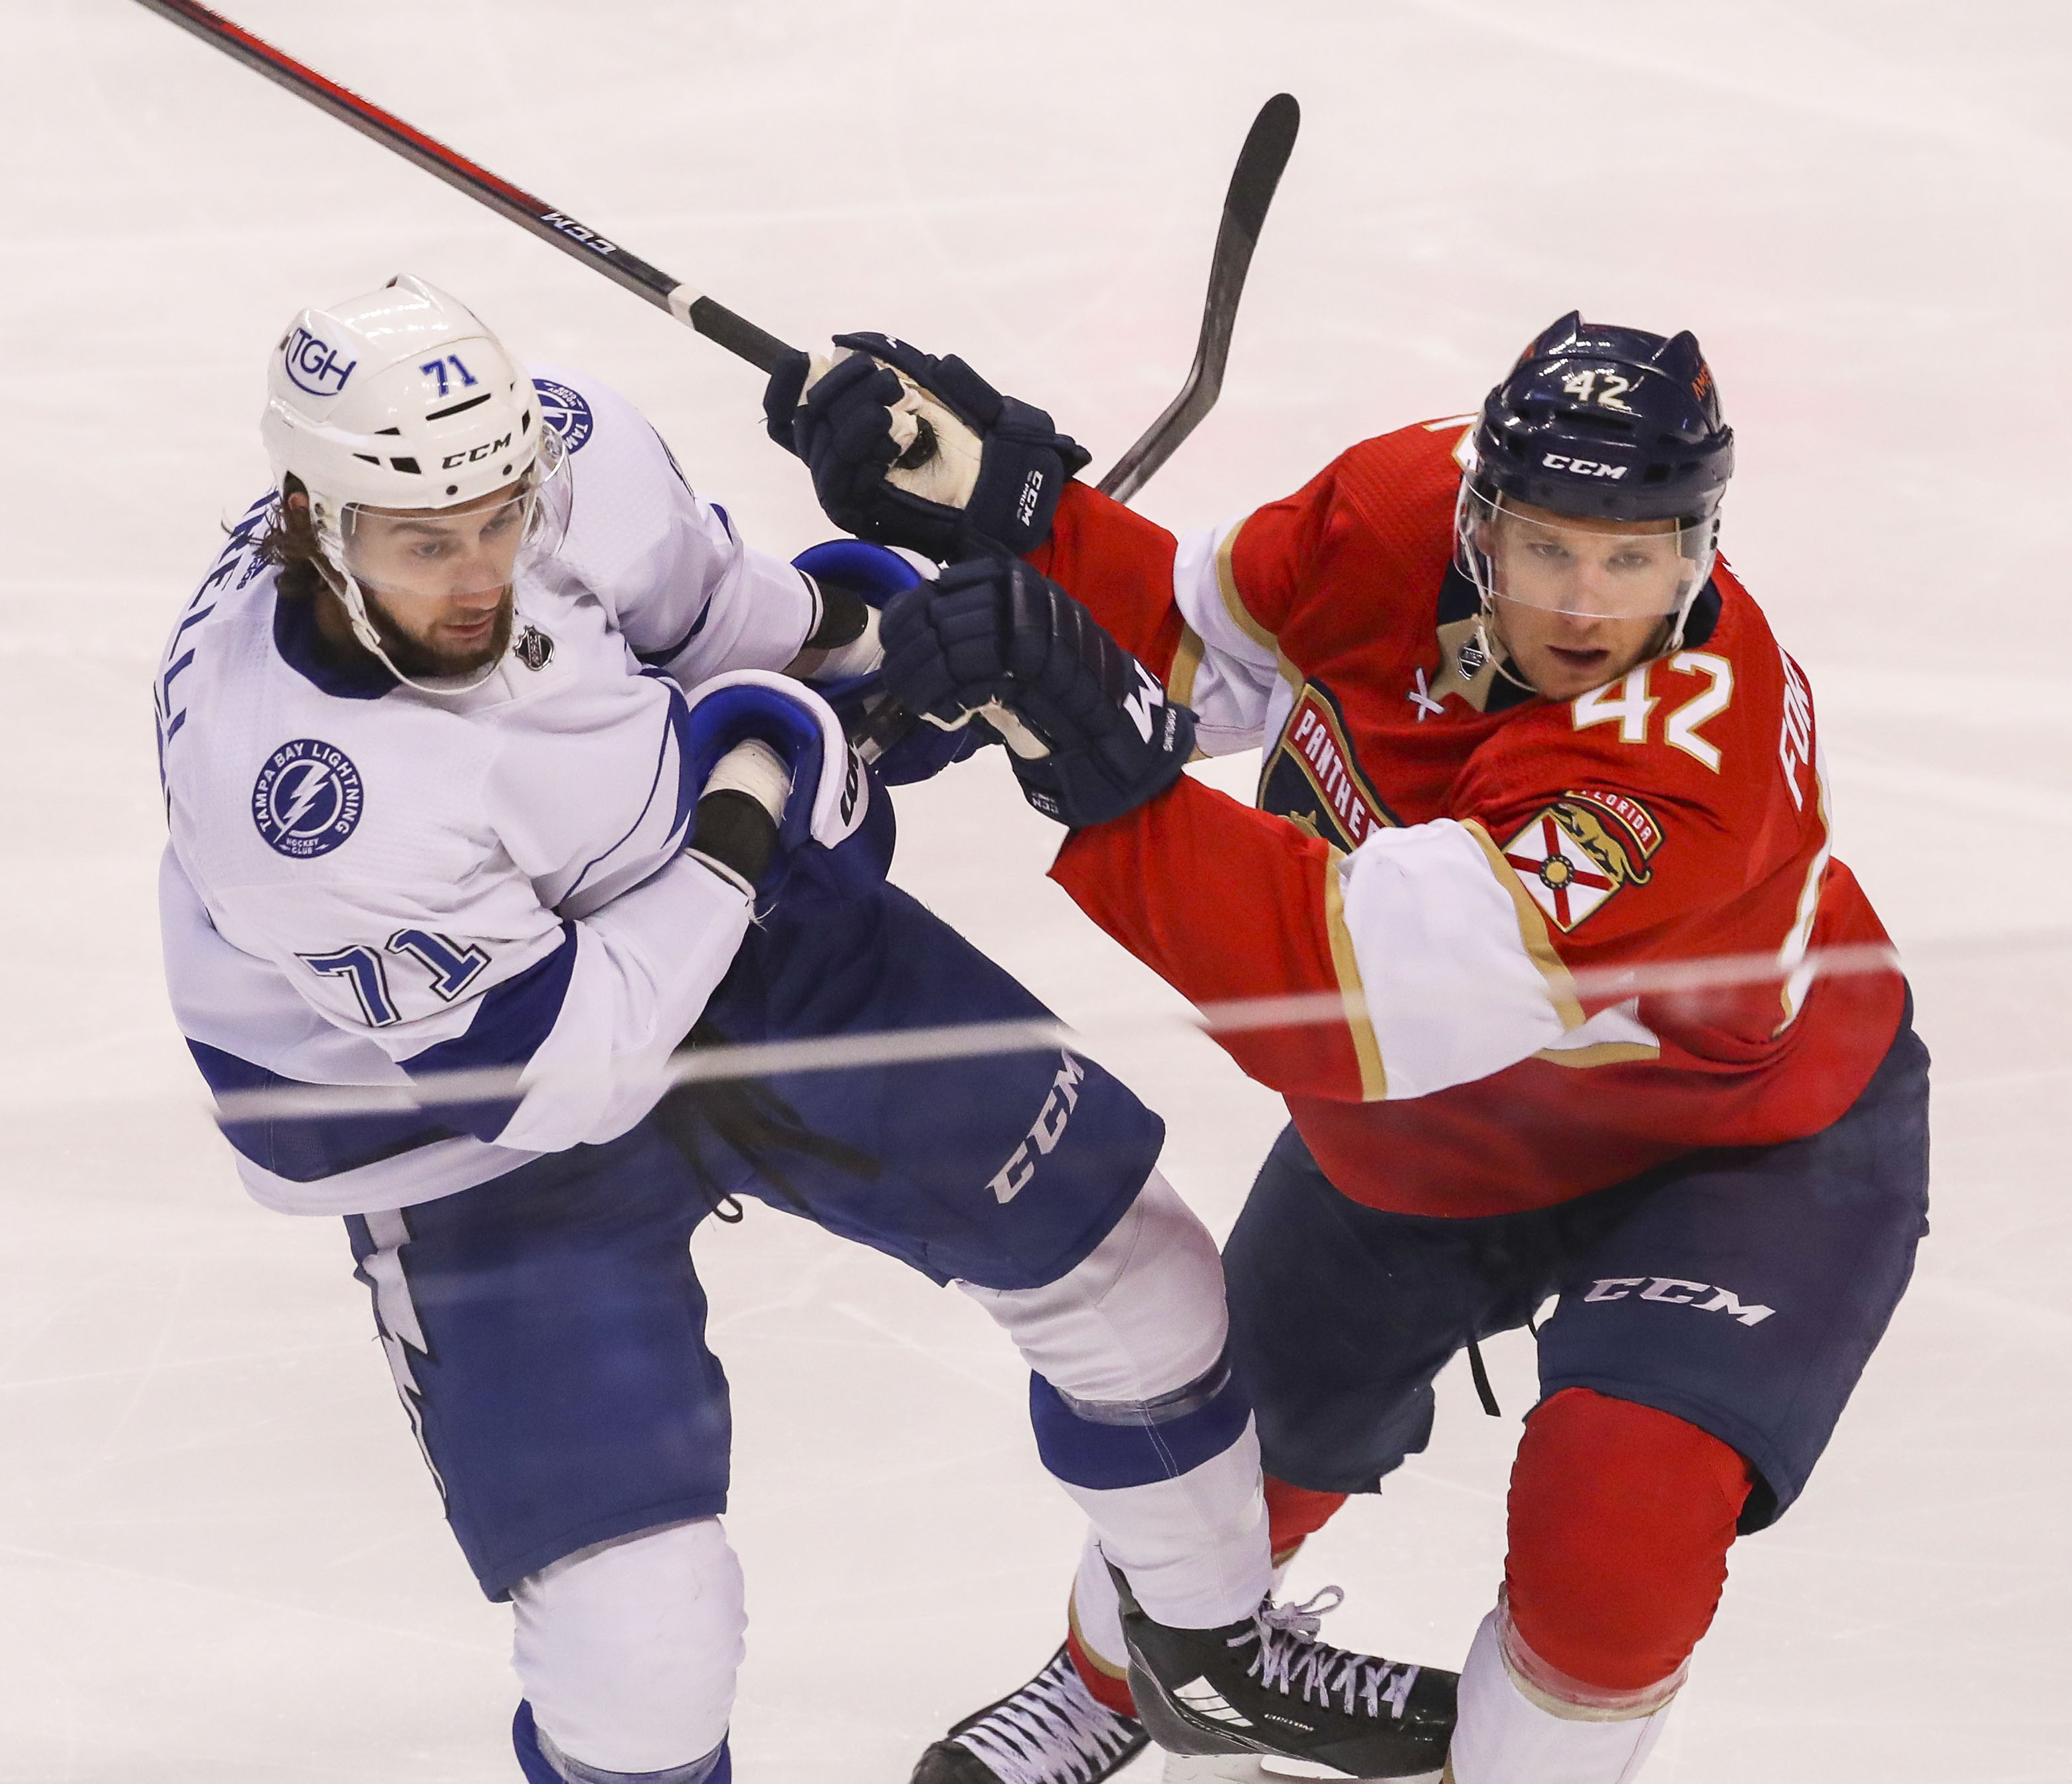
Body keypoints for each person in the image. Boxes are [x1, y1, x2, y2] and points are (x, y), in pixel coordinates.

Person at [153, 275, 1458, 1784]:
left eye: (499, 519)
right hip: (462, 1122)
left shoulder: (573, 460)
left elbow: (735, 622)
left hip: (725, 926)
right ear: (313, 520)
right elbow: (566, 1067)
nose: (479, 576)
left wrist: (913, 639)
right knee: (639, 1649)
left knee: (1140, 1276)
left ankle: (1210, 1657)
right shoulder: (294, 797)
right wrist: (757, 788)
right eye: (423, 543)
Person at [763, 314, 1931, 1784]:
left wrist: (1098, 752)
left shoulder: (1686, 771)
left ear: (1698, 547)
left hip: (1738, 1142)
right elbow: (1202, 646)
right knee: (1217, 1478)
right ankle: (1108, 1679)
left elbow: (1336, 983)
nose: (1586, 601)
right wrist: (1012, 502)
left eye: (1633, 558)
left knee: (1619, 1516)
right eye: (1548, 547)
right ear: (1474, 516)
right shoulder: (1391, 508)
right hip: (1441, 1127)